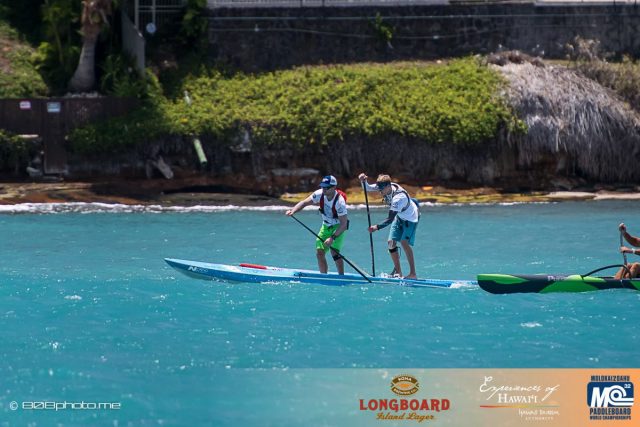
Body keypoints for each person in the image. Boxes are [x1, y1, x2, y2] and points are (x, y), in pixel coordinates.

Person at [359, 173, 420, 279]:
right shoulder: (383, 185)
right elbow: (367, 188)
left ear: (388, 186)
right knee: (391, 242)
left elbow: (390, 219)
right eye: (379, 189)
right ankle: (398, 273)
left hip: (411, 218)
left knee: (404, 243)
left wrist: (376, 227)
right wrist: (362, 180)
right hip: (400, 216)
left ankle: (413, 274)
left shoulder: (398, 198)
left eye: (381, 190)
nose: (380, 192)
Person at [285, 175, 349, 274]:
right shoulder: (319, 194)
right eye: (322, 187)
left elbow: (344, 224)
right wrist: (293, 211)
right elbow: (304, 203)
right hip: (326, 226)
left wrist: (332, 238)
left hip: (338, 227)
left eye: (326, 187)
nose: (324, 189)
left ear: (334, 187)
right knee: (319, 252)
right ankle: (323, 276)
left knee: (334, 253)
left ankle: (341, 277)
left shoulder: (340, 202)